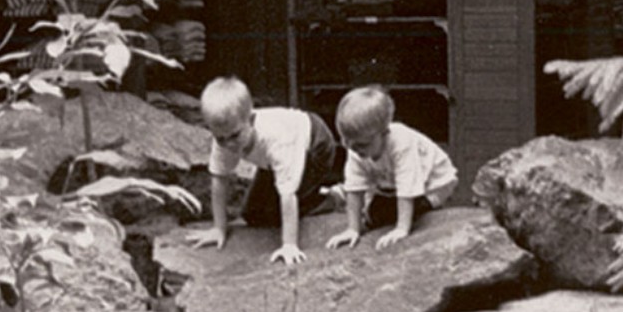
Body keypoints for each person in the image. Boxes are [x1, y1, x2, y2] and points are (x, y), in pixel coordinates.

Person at [184, 76, 338, 265]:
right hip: (271, 161)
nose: (228, 144)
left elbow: (288, 195)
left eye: (234, 136)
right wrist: (219, 228)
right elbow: (218, 179)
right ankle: (316, 195)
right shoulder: (226, 138)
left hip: (315, 144)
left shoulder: (276, 139)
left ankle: (329, 199)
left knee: (284, 205)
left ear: (251, 119)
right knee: (254, 215)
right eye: (220, 138)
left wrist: (289, 244)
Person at [325, 86, 458, 251]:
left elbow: (407, 187)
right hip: (389, 183)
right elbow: (354, 187)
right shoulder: (356, 147)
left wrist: (401, 229)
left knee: (396, 214)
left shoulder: (401, 142)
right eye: (346, 141)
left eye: (361, 144)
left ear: (384, 133)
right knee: (376, 214)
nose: (352, 148)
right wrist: (353, 229)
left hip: (432, 184)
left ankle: (421, 208)